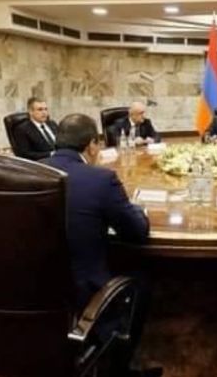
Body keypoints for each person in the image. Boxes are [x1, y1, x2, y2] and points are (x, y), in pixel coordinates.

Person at [44, 114, 159, 377]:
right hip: (83, 285)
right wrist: (139, 211)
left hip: (37, 281)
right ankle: (118, 368)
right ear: (92, 146)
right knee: (141, 279)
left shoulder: (31, 171)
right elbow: (137, 232)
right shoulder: (101, 179)